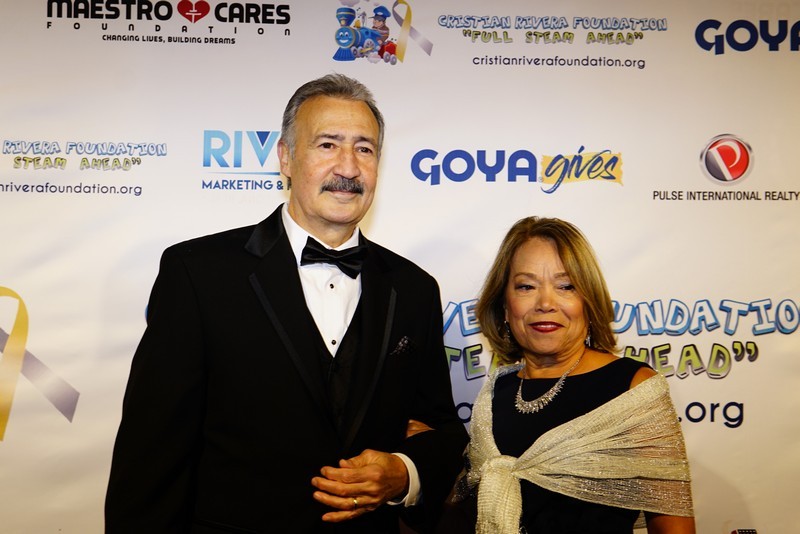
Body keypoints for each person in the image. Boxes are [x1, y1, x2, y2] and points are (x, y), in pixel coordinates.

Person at [105, 74, 468, 533]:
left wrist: (405, 472)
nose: (348, 167)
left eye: (364, 149)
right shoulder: (198, 274)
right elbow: (151, 453)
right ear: (285, 158)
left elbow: (441, 430)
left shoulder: (414, 289)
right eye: (327, 145)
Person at [443, 217, 695, 534]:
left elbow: (673, 527)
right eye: (526, 286)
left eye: (566, 286)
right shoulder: (496, 391)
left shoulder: (634, 389)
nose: (545, 303)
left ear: (588, 301)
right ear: (505, 306)